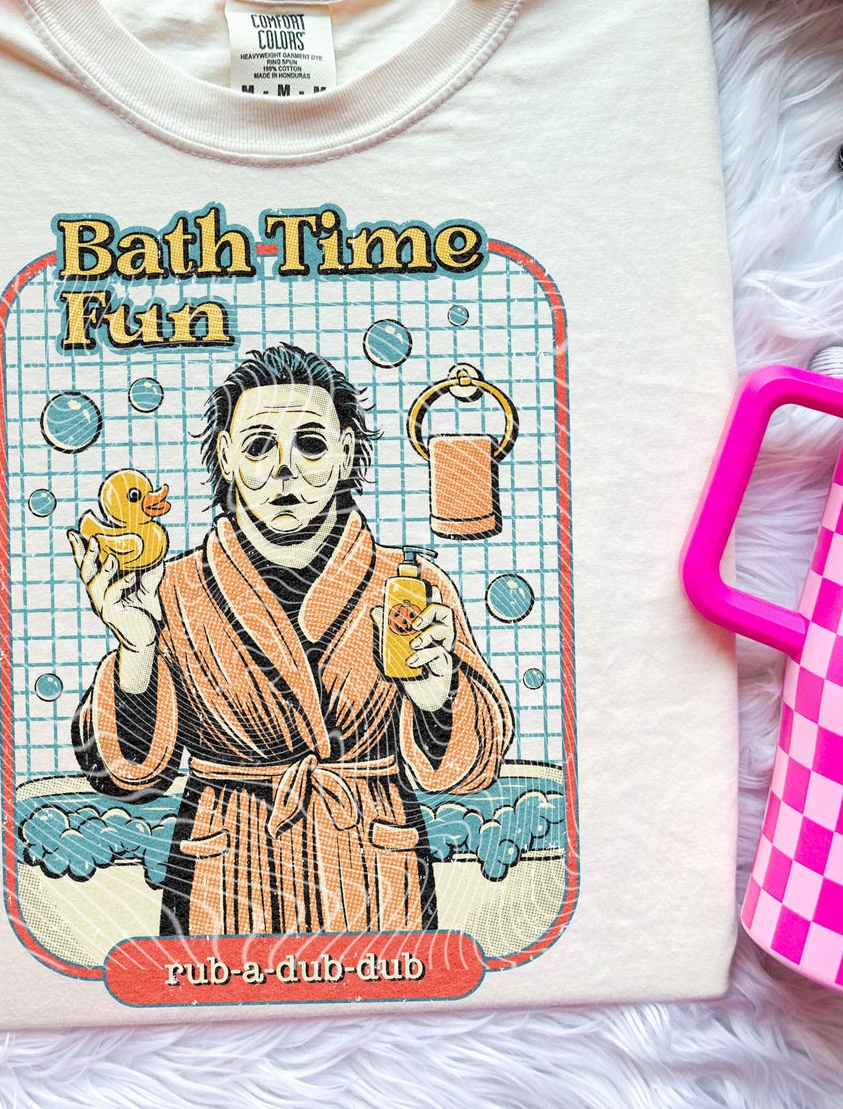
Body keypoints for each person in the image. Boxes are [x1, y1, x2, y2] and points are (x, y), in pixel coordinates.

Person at [70, 344, 513, 937]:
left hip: (372, 869)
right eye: (259, 446)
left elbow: (470, 767)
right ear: (226, 456)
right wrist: (137, 649)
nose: (285, 468)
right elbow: (127, 778)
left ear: (346, 453)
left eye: (310, 444)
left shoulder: (411, 584)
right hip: (228, 870)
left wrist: (438, 697)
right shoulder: (169, 590)